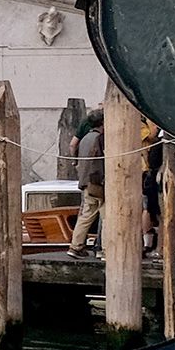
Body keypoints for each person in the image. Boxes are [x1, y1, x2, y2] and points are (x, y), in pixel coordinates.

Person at [68, 109, 106, 255]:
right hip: (98, 183)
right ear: (102, 122)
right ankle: (105, 250)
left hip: (85, 183)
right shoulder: (100, 139)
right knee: (106, 216)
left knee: (86, 215)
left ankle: (75, 246)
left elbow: (74, 149)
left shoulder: (84, 139)